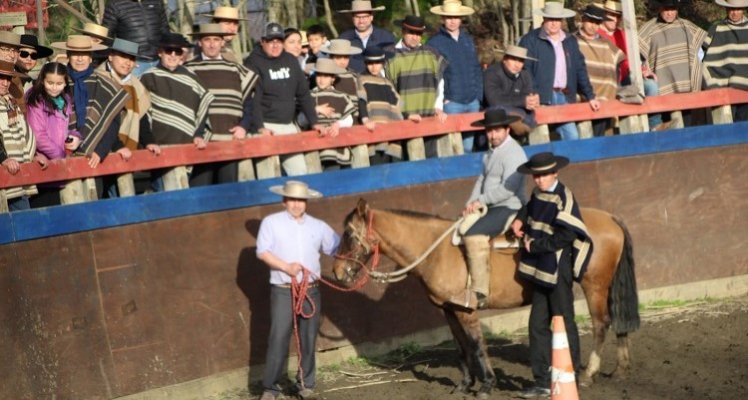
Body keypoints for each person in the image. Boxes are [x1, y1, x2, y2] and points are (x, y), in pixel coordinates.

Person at [510, 152, 593, 399]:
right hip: (540, 271)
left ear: (555, 173)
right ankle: (543, 381)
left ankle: (572, 377)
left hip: (558, 270)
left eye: (544, 175)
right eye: (536, 176)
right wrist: (519, 219)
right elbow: (530, 208)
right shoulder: (538, 194)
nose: (539, 180)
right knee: (537, 325)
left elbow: (567, 235)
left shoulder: (565, 198)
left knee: (565, 323)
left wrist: (535, 246)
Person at [256, 180, 340, 400]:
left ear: (306, 202)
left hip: (310, 289)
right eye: (292, 199)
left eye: (301, 200)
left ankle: (306, 383)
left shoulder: (318, 226)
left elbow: (336, 247)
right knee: (278, 337)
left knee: (308, 337)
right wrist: (286, 267)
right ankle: (271, 388)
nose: (296, 204)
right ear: (284, 201)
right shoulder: (271, 223)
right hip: (283, 289)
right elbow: (263, 252)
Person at [450, 109, 528, 311]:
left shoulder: (514, 153)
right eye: (489, 131)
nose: (492, 135)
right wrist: (471, 203)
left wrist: (481, 201)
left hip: (510, 205)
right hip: (490, 205)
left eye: (496, 131)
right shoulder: (490, 153)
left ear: (507, 130)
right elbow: (482, 180)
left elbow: (508, 189)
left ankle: (480, 293)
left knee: (472, 235)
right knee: (459, 226)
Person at [244, 22, 324, 177]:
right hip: (265, 126)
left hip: (288, 125)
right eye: (271, 41)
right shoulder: (253, 62)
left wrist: (314, 121)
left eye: (279, 41)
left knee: (300, 172)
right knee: (268, 175)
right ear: (263, 41)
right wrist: (260, 127)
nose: (275, 45)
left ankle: (295, 201)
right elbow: (252, 98)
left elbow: (303, 94)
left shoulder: (290, 60)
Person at [185, 24, 257, 186]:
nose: (212, 44)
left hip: (229, 140)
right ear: (199, 43)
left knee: (228, 190)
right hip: (201, 142)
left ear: (222, 42)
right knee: (200, 190)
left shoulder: (235, 69)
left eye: (216, 40)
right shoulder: (189, 70)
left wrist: (244, 126)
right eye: (207, 39)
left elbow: (248, 103)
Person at [519, 2, 600, 141]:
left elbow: (580, 69)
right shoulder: (530, 40)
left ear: (562, 20)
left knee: (572, 137)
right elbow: (525, 70)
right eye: (550, 19)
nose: (554, 23)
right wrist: (533, 93)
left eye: (557, 19)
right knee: (540, 138)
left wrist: (590, 96)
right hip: (541, 97)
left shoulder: (570, 41)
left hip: (564, 95)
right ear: (544, 19)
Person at [51, 35, 129, 177]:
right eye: (75, 54)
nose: (80, 59)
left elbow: (112, 123)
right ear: (68, 56)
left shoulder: (104, 85)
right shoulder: (57, 83)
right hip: (62, 156)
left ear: (91, 57)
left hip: (95, 157)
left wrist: (100, 150)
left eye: (84, 54)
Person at [385, 15, 448, 158]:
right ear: (403, 31)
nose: (415, 37)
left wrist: (438, 106)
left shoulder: (431, 53)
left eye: (419, 34)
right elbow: (386, 88)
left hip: (428, 117)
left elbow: (440, 82)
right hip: (401, 119)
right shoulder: (389, 54)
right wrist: (402, 113)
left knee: (430, 160)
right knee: (404, 163)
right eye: (411, 33)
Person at [427, 0, 483, 152]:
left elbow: (476, 68)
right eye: (448, 17)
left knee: (469, 146)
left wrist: (478, 95)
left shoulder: (468, 40)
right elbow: (431, 74)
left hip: (472, 101)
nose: (452, 21)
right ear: (442, 19)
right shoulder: (435, 43)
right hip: (451, 102)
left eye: (455, 17)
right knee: (453, 147)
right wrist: (439, 102)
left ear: (461, 19)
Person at [596, 0, 662, 130]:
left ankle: (655, 125)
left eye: (618, 16)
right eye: (611, 15)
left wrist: (643, 71)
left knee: (651, 86)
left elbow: (633, 58)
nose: (615, 19)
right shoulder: (597, 34)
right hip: (608, 80)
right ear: (605, 15)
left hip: (628, 77)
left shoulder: (623, 34)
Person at [25, 62, 81, 208]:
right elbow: (38, 135)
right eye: (50, 82)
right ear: (42, 80)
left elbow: (71, 125)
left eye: (59, 83)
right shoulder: (35, 99)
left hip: (60, 167)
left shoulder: (66, 99)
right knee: (42, 210)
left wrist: (75, 136)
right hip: (43, 164)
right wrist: (61, 156)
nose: (54, 87)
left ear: (65, 83)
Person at [0, 60, 45, 211]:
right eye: (1, 78)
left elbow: (24, 130)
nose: (5, 83)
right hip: (5, 172)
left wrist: (33, 155)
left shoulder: (10, 102)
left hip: (18, 170)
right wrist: (3, 159)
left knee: (23, 219)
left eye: (8, 78)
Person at [638, 0, 706, 96]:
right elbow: (638, 56)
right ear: (659, 8)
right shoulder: (649, 29)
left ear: (677, 9)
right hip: (661, 88)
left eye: (672, 9)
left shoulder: (687, 27)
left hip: (687, 88)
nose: (669, 13)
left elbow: (700, 54)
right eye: (666, 9)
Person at [575, 5, 624, 136]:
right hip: (581, 94)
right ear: (583, 19)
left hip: (605, 95)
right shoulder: (573, 41)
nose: (593, 26)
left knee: (601, 130)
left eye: (597, 23)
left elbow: (619, 60)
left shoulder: (606, 44)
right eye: (590, 21)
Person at [702, 0, 748, 121]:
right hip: (722, 85)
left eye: (738, 9)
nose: (734, 13)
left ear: (743, 9)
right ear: (726, 9)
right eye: (731, 9)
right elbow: (702, 53)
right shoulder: (716, 28)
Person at [356, 46, 403, 163]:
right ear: (365, 63)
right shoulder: (361, 79)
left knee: (392, 165)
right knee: (377, 163)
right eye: (370, 63)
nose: (373, 67)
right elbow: (361, 99)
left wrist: (407, 115)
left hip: (389, 128)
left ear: (382, 63)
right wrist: (365, 119)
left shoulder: (387, 82)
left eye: (377, 63)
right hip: (372, 127)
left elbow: (397, 104)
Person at [483, 45, 539, 138]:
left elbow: (528, 94)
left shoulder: (525, 75)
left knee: (530, 115)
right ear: (504, 59)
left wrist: (532, 101)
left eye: (521, 61)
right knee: (498, 109)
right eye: (513, 59)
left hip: (520, 112)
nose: (517, 65)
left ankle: (521, 125)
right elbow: (494, 100)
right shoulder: (492, 73)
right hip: (494, 117)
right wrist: (523, 101)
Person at [310, 58, 356, 170]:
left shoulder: (341, 96)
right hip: (316, 145)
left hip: (338, 144)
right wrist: (315, 109)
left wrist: (338, 124)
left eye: (326, 76)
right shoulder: (309, 96)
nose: (321, 80)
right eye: (319, 76)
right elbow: (301, 120)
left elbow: (349, 119)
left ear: (333, 79)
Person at [102, 0, 170, 76]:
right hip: (133, 64)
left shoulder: (157, 2)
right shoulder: (115, 4)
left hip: (158, 61)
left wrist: (168, 53)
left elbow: (165, 30)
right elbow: (107, 36)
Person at [338, 1, 396, 73]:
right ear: (352, 18)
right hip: (352, 82)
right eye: (357, 17)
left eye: (365, 17)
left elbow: (392, 63)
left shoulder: (386, 37)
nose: (361, 21)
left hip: (380, 81)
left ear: (371, 17)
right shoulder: (344, 39)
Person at [319, 39, 361, 119]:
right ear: (330, 57)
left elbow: (360, 101)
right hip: (330, 120)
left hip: (354, 121)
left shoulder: (355, 77)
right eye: (338, 58)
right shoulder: (323, 76)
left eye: (346, 57)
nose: (342, 61)